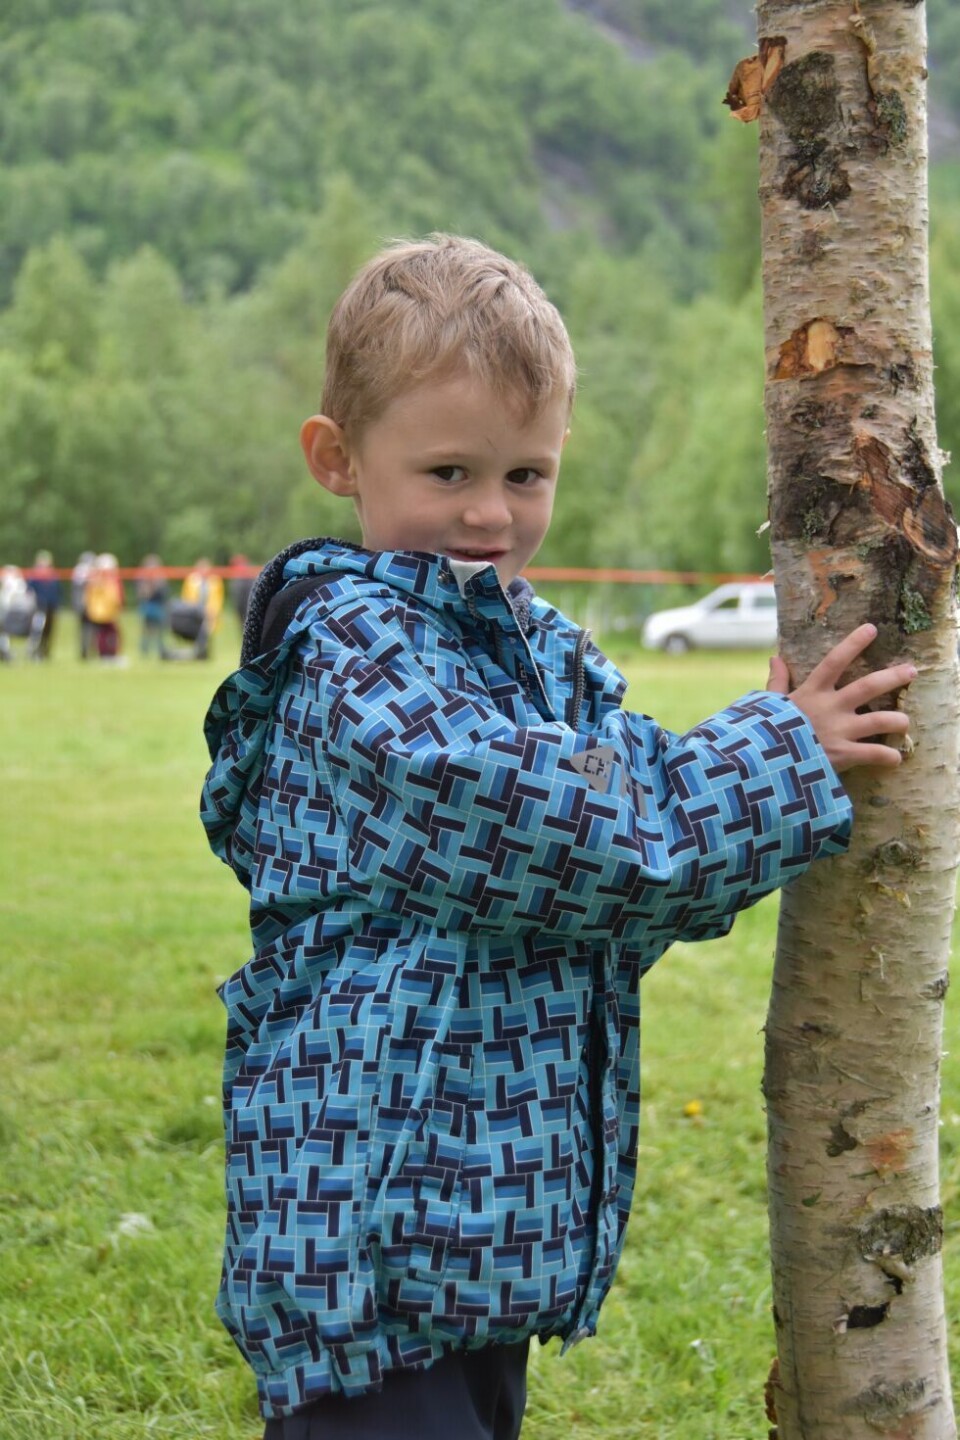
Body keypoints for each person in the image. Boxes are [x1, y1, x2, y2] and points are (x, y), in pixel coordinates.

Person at [200, 236, 915, 1440]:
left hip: (480, 1220)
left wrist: (755, 763)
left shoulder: (538, 651)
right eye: (448, 471)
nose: (490, 513)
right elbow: (575, 833)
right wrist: (778, 755)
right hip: (370, 1224)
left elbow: (637, 873)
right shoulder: (356, 661)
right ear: (338, 458)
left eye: (526, 474)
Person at [181, 557, 224, 659]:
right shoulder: (191, 580)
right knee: (196, 632)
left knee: (207, 632)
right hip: (194, 612)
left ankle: (205, 653)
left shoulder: (215, 581)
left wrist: (213, 611)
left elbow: (218, 598)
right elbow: (186, 597)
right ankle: (197, 653)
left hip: (209, 612)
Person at [84, 553, 125, 660]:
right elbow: (112, 596)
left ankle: (108, 654)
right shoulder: (103, 580)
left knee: (107, 633)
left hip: (103, 611)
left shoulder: (96, 579)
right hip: (104, 612)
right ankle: (106, 654)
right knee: (106, 634)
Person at [26, 550, 62, 660]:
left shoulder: (53, 576)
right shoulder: (34, 576)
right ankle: (35, 652)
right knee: (37, 631)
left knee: (49, 631)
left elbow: (58, 591)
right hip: (38, 607)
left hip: (51, 607)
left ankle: (45, 652)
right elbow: (29, 591)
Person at [136, 554, 169, 658]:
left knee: (160, 630)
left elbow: (164, 593)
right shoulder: (142, 577)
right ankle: (144, 651)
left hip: (158, 606)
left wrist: (156, 584)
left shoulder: (161, 577)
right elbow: (142, 594)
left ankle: (160, 649)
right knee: (146, 630)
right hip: (147, 606)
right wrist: (148, 586)